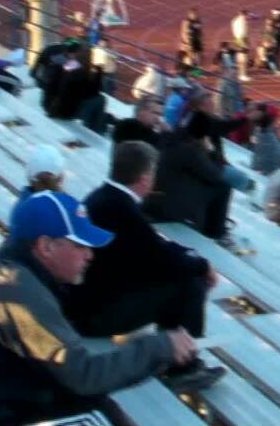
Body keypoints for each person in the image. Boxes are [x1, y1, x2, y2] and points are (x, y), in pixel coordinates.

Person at [0, 190, 202, 425]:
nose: (90, 255)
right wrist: (160, 347)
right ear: (46, 247)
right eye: (80, 246)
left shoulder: (13, 277)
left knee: (94, 407)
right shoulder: (15, 292)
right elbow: (83, 374)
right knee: (97, 413)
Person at [66, 142, 223, 388]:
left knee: (179, 275)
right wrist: (203, 266)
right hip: (96, 314)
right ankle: (182, 366)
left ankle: (175, 354)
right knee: (190, 283)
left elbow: (153, 246)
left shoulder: (104, 198)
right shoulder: (120, 208)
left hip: (87, 303)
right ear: (144, 177)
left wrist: (192, 258)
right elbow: (161, 257)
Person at [149, 109, 240, 242]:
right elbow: (216, 176)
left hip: (154, 200)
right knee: (223, 188)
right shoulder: (190, 150)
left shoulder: (170, 137)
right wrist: (212, 152)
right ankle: (215, 233)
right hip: (171, 209)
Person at [45, 40, 108, 134]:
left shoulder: (69, 66)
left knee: (96, 101)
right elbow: (93, 92)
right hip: (66, 112)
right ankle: (95, 131)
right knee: (100, 99)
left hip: (55, 107)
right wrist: (99, 72)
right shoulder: (80, 71)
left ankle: (98, 127)